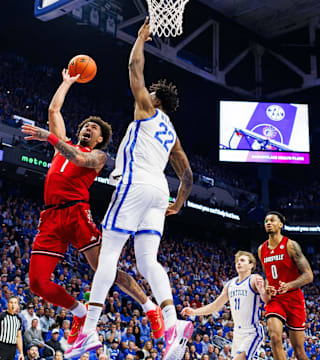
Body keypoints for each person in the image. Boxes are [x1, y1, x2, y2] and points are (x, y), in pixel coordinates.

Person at [66, 17, 193, 360]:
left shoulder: (148, 108)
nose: (145, 92)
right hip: (159, 190)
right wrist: (178, 204)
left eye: (150, 92)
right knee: (148, 262)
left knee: (108, 255)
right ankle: (172, 321)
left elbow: (134, 66)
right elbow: (188, 176)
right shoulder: (173, 135)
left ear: (156, 99)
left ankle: (88, 331)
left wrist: (140, 39)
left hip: (135, 182)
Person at [21, 69, 165, 344]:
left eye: (94, 128)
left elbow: (78, 158)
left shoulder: (97, 156)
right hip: (50, 216)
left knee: (106, 270)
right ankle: (79, 311)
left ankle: (150, 307)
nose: (88, 128)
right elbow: (54, 110)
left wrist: (50, 138)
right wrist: (66, 84)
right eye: (86, 125)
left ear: (100, 139)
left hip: (77, 213)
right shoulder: (62, 146)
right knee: (37, 283)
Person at [182, 251, 269, 360]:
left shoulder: (254, 278)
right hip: (237, 332)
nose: (239, 263)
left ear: (251, 265)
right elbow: (215, 306)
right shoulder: (230, 284)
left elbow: (266, 300)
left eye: (242, 260)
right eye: (237, 261)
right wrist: (194, 311)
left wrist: (263, 290)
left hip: (251, 331)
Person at [258, 211, 314, 360]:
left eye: (272, 220)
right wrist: (267, 287)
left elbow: (308, 275)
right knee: (275, 337)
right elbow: (268, 276)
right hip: (275, 299)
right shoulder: (261, 249)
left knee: (299, 351)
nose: (268, 223)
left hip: (293, 298)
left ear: (281, 225)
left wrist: (290, 285)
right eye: (266, 221)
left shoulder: (290, 245)